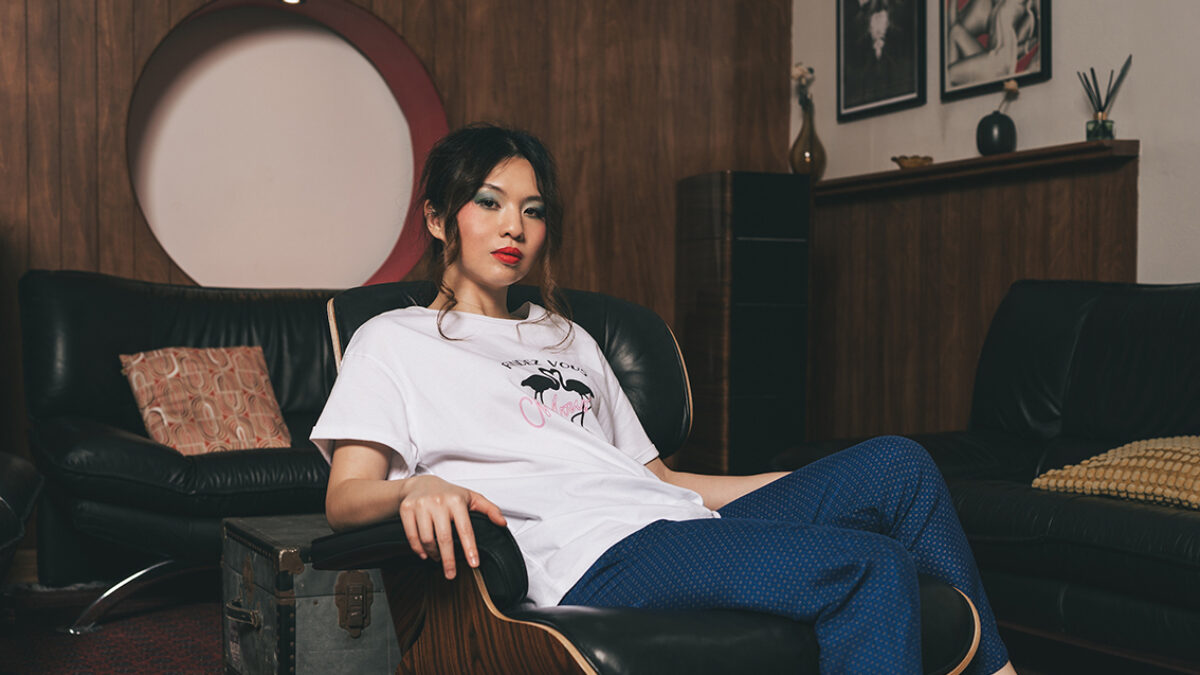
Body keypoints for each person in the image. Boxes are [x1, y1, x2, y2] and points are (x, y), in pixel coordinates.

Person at [311, 124, 1017, 674]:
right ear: (439, 220)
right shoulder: (394, 339)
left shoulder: (567, 337)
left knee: (897, 465)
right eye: (488, 203)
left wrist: (812, 491)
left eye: (532, 209)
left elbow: (665, 483)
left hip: (675, 523)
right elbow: (345, 498)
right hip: (593, 555)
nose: (514, 228)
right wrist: (418, 489)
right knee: (872, 564)